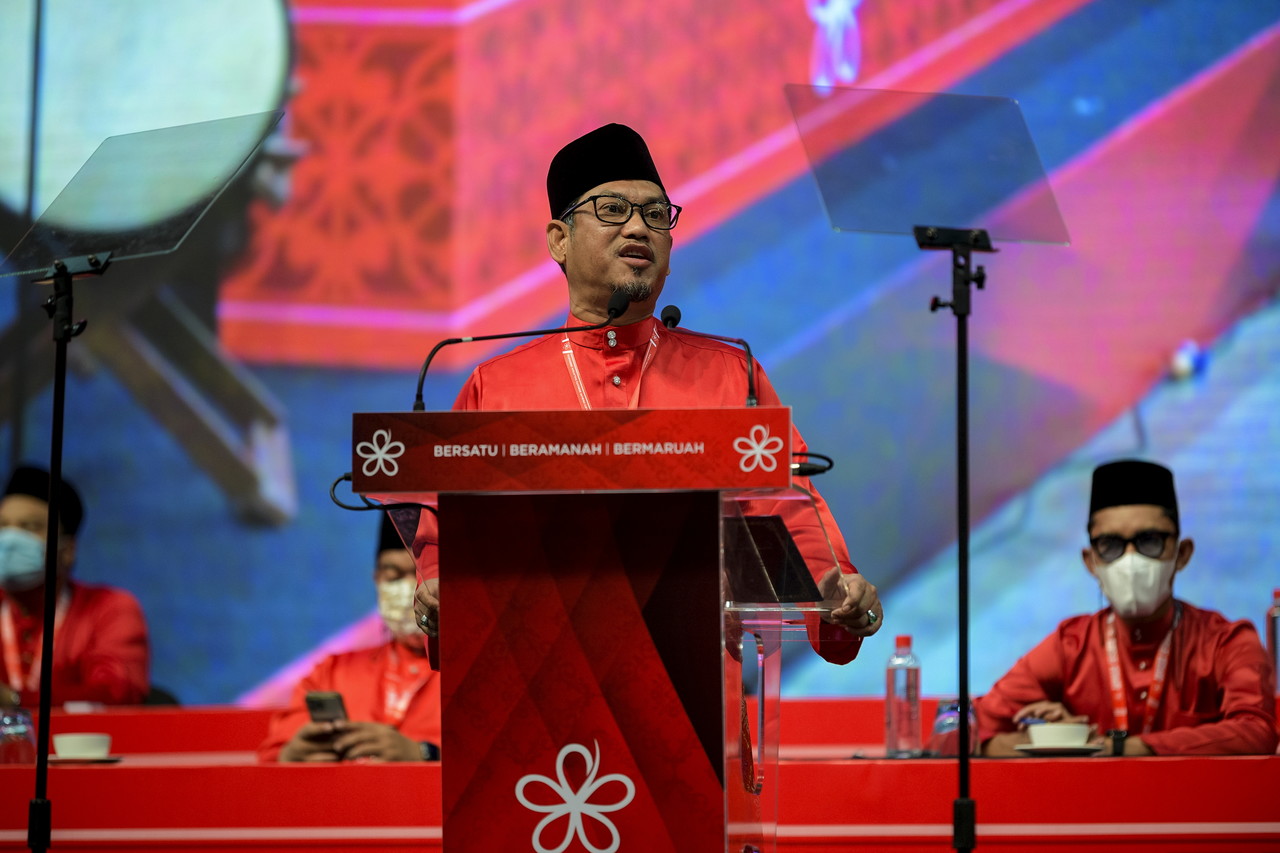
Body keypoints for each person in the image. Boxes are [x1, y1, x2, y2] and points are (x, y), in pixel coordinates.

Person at [411, 123, 882, 664]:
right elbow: (442, 537)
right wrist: (438, 591)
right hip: (537, 682)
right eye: (613, 209)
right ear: (559, 240)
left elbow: (788, 506)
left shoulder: (731, 375)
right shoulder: (496, 387)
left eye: (656, 214)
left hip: (696, 685)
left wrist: (831, 588)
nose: (639, 227)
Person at [976, 459, 1278, 756]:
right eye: (1110, 545)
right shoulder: (1070, 647)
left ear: (1182, 554)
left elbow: (1256, 731)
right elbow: (968, 727)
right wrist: (1056, 740)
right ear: (1091, 562)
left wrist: (1121, 747)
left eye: (1150, 541)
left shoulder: (1225, 643)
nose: (1130, 559)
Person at [258, 513, 441, 762]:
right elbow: (273, 757)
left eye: (419, 576)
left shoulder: (472, 676)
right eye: (394, 576)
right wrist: (291, 756)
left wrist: (425, 754)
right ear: (377, 579)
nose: (411, 588)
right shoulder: (332, 673)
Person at [0, 465, 149, 708]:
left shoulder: (108, 609)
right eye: (3, 526)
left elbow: (113, 695)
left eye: (30, 527)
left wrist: (13, 700)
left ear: (68, 550)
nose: (10, 540)